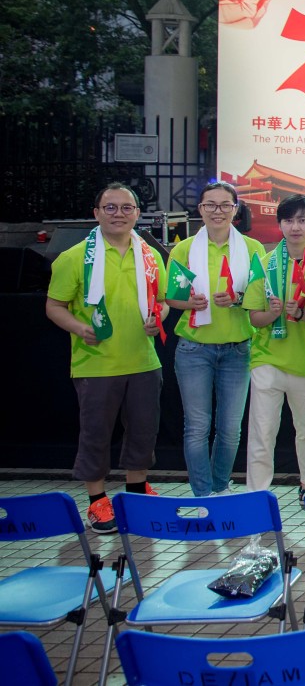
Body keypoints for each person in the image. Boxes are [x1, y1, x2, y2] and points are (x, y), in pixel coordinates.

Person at [45, 183, 167, 533]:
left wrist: (158, 317)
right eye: (110, 207)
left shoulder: (151, 255)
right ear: (96, 213)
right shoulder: (73, 258)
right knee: (96, 435)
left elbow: (161, 303)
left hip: (144, 361)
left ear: (137, 214)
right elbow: (54, 306)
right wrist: (79, 328)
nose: (118, 214)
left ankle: (136, 491)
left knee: (144, 431)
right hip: (96, 363)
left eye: (126, 208)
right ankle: (97, 500)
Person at [165, 181, 265, 497]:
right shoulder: (183, 249)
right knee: (197, 427)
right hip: (194, 349)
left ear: (236, 210)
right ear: (201, 209)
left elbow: (261, 295)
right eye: (210, 204)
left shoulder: (253, 248)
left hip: (238, 349)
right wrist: (189, 302)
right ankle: (202, 494)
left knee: (230, 428)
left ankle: (220, 488)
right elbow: (172, 297)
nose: (217, 211)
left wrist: (238, 298)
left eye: (225, 205)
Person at [242, 194, 305, 503]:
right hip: (267, 360)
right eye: (289, 220)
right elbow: (254, 317)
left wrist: (302, 314)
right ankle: (257, 494)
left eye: (303, 220)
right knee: (262, 430)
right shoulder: (264, 265)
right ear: (279, 225)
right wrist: (273, 314)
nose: (295, 227)